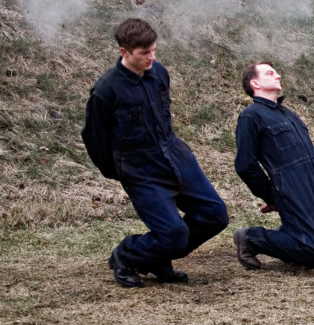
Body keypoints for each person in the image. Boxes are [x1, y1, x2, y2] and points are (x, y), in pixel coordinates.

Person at [82, 18, 228, 288]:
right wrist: (121, 170)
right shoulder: (106, 91)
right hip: (140, 168)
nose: (151, 57)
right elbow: (94, 138)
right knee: (173, 234)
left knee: (215, 215)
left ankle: (156, 256)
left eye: (154, 50)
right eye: (144, 53)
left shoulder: (159, 73)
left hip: (176, 155)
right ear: (124, 52)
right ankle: (127, 254)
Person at [232, 62, 314, 268]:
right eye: (270, 73)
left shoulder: (288, 114)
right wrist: (270, 195)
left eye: (276, 72)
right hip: (292, 186)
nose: (278, 76)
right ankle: (251, 238)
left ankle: (291, 236)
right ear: (254, 82)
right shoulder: (251, 115)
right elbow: (245, 165)